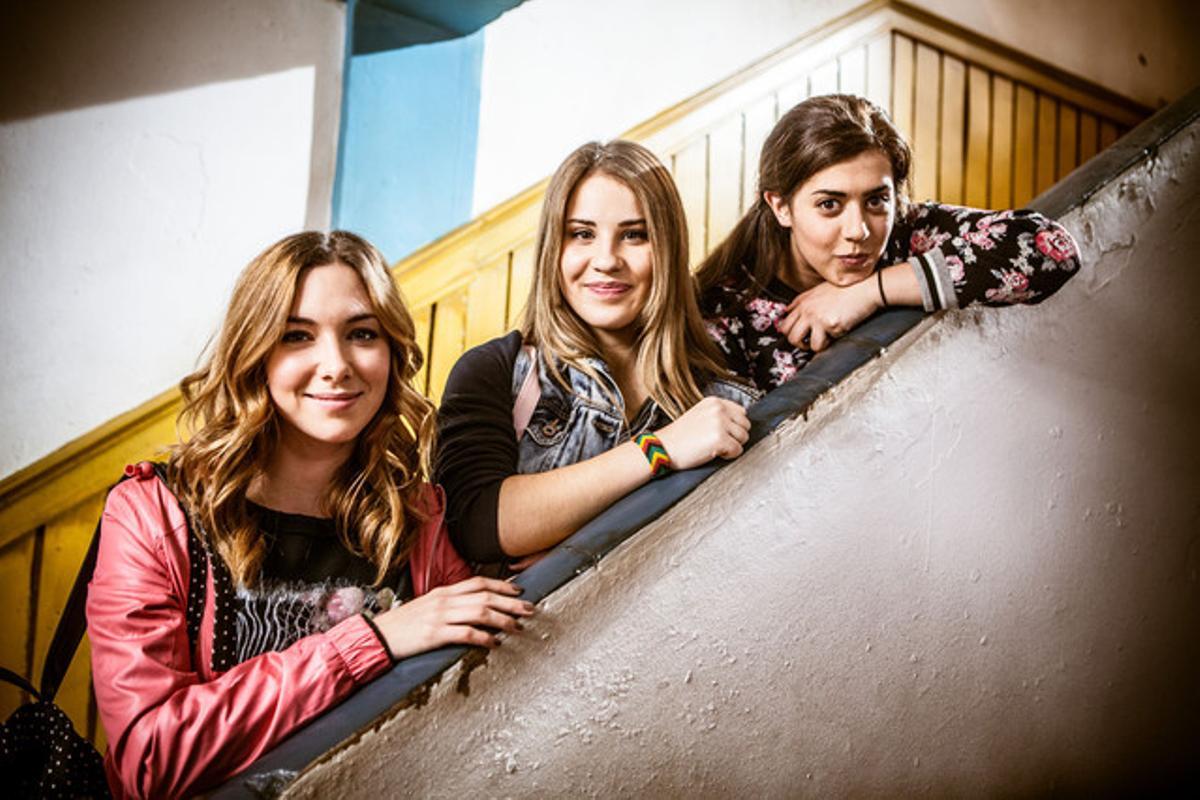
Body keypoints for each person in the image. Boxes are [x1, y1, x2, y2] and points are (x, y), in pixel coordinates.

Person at [87, 231, 534, 799]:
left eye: (362, 334)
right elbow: (149, 761)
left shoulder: (415, 515)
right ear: (255, 353)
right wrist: (370, 640)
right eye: (297, 336)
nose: (337, 366)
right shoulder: (154, 513)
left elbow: (483, 692)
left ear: (392, 351)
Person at [436, 141, 757, 566]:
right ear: (554, 249)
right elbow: (481, 525)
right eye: (582, 234)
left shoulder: (725, 401)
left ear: (668, 249)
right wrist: (661, 448)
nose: (606, 260)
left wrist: (567, 533)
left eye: (634, 235)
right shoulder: (495, 370)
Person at [697, 94, 1081, 391]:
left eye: (876, 200)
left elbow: (1051, 250)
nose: (859, 230)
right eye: (829, 205)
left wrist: (871, 291)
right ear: (780, 206)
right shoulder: (724, 309)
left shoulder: (907, 231)